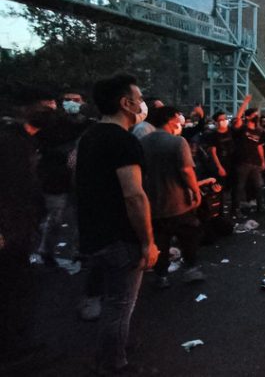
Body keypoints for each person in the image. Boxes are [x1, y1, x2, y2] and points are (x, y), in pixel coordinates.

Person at [76, 74, 159, 374]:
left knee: (113, 300)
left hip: (94, 233)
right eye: (138, 97)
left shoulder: (90, 136)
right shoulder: (123, 140)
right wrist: (148, 241)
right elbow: (134, 195)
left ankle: (115, 344)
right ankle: (113, 363)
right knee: (119, 303)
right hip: (120, 237)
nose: (142, 102)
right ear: (126, 103)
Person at [0, 88, 53, 373]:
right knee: (12, 289)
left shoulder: (22, 141)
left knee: (17, 287)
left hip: (19, 226)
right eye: (45, 104)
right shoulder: (11, 143)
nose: (52, 109)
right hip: (11, 230)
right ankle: (13, 350)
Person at [141, 106, 205, 288]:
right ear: (170, 119)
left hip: (153, 202)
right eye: (178, 117)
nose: (180, 121)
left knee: (160, 240)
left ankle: (161, 276)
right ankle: (191, 270)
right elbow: (186, 170)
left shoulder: (143, 142)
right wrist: (195, 191)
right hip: (178, 202)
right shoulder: (178, 142)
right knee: (188, 236)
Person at [231, 106, 265, 214]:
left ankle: (260, 207)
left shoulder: (258, 130)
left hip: (255, 162)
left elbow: (259, 146)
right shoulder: (243, 128)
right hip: (243, 161)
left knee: (259, 186)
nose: (257, 116)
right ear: (248, 117)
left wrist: (263, 161)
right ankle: (236, 209)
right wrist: (245, 103)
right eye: (255, 114)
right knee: (239, 187)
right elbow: (237, 119)